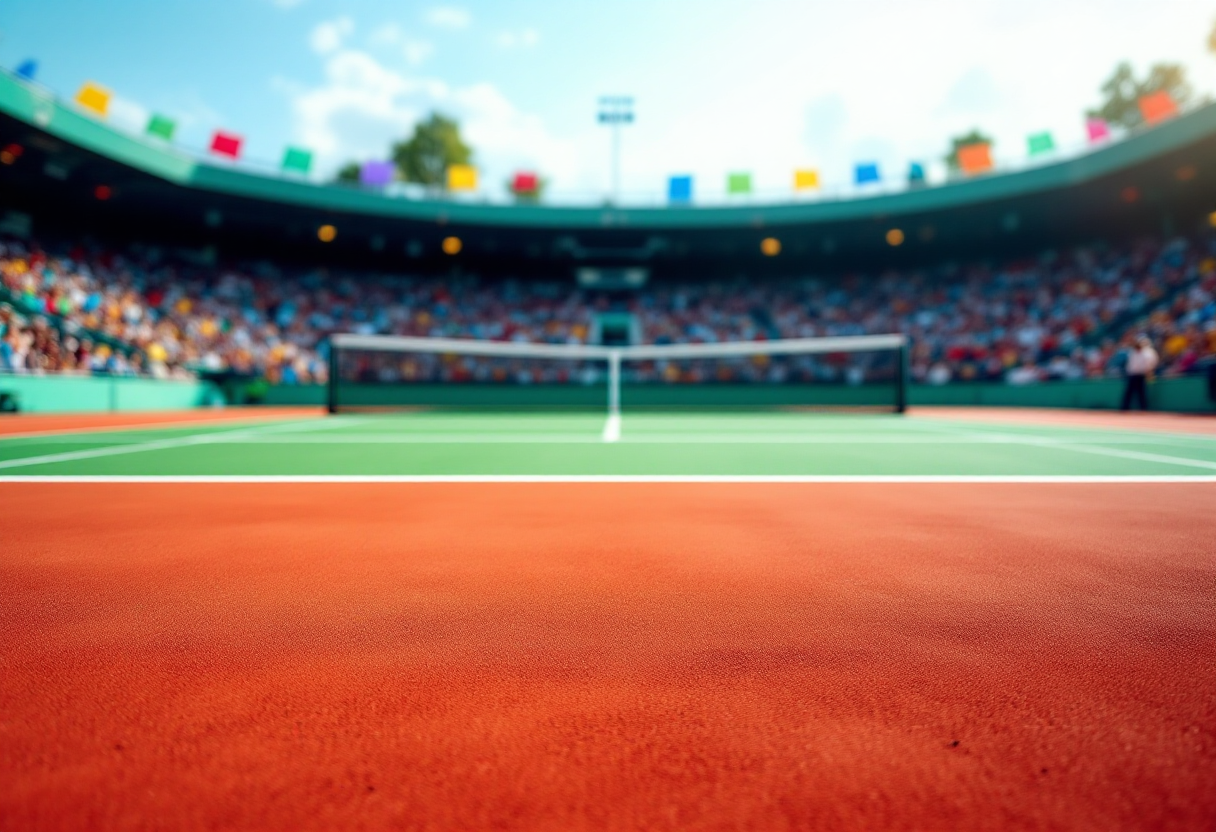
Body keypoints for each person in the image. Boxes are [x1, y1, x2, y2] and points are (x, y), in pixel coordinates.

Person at [1121, 335, 1158, 411]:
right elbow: (1130, 363)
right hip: (1132, 374)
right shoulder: (1133, 352)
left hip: (1142, 374)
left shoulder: (1149, 352)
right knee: (1129, 392)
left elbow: (1152, 363)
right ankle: (1125, 408)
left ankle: (1143, 409)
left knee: (1142, 393)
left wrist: (1149, 371)